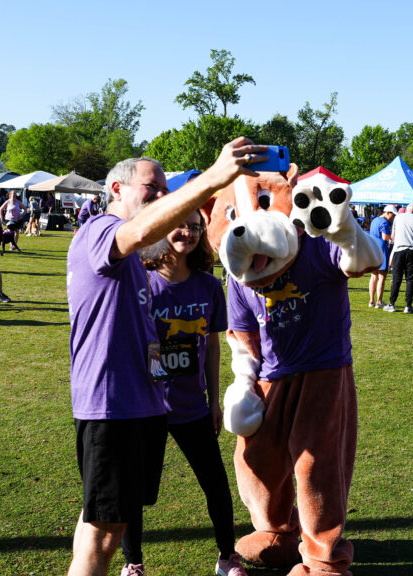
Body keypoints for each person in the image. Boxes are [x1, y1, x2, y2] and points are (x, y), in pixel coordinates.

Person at [65, 138, 266, 576]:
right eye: (151, 187)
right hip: (112, 407)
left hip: (142, 408)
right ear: (116, 189)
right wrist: (213, 178)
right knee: (103, 534)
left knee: (101, 524)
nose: (160, 196)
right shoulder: (100, 231)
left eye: (164, 189)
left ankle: (222, 554)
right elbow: (138, 232)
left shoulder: (145, 265)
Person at [121, 209, 247, 576]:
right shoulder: (142, 284)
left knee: (216, 485)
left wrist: (213, 400)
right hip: (146, 409)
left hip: (193, 407)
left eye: (195, 227)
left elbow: (212, 345)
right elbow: (129, 344)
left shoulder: (209, 286)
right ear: (162, 228)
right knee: (134, 491)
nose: (188, 233)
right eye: (180, 225)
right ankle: (133, 563)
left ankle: (227, 558)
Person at [383, 204, 413, 313]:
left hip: (399, 250)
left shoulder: (398, 217)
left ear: (406, 210)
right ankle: (408, 306)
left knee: (396, 279)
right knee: (410, 280)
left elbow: (393, 236)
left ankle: (392, 304)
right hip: (412, 251)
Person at [367, 205, 395, 308]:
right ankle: (379, 301)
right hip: (382, 250)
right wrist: (391, 238)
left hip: (373, 249)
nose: (393, 217)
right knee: (382, 277)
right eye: (392, 215)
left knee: (373, 276)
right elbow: (384, 237)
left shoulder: (374, 220)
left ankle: (371, 301)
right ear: (387, 213)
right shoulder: (384, 222)